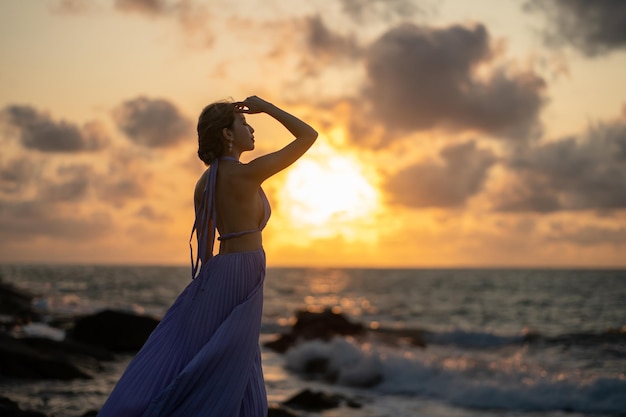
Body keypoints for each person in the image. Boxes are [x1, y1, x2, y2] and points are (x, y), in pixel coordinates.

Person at [97, 96, 318, 417]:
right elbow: (308, 136)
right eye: (243, 123)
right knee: (231, 360)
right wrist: (267, 108)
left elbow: (205, 248)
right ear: (227, 135)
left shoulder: (206, 182)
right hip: (242, 272)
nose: (252, 127)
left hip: (219, 273)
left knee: (218, 355)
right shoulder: (246, 175)